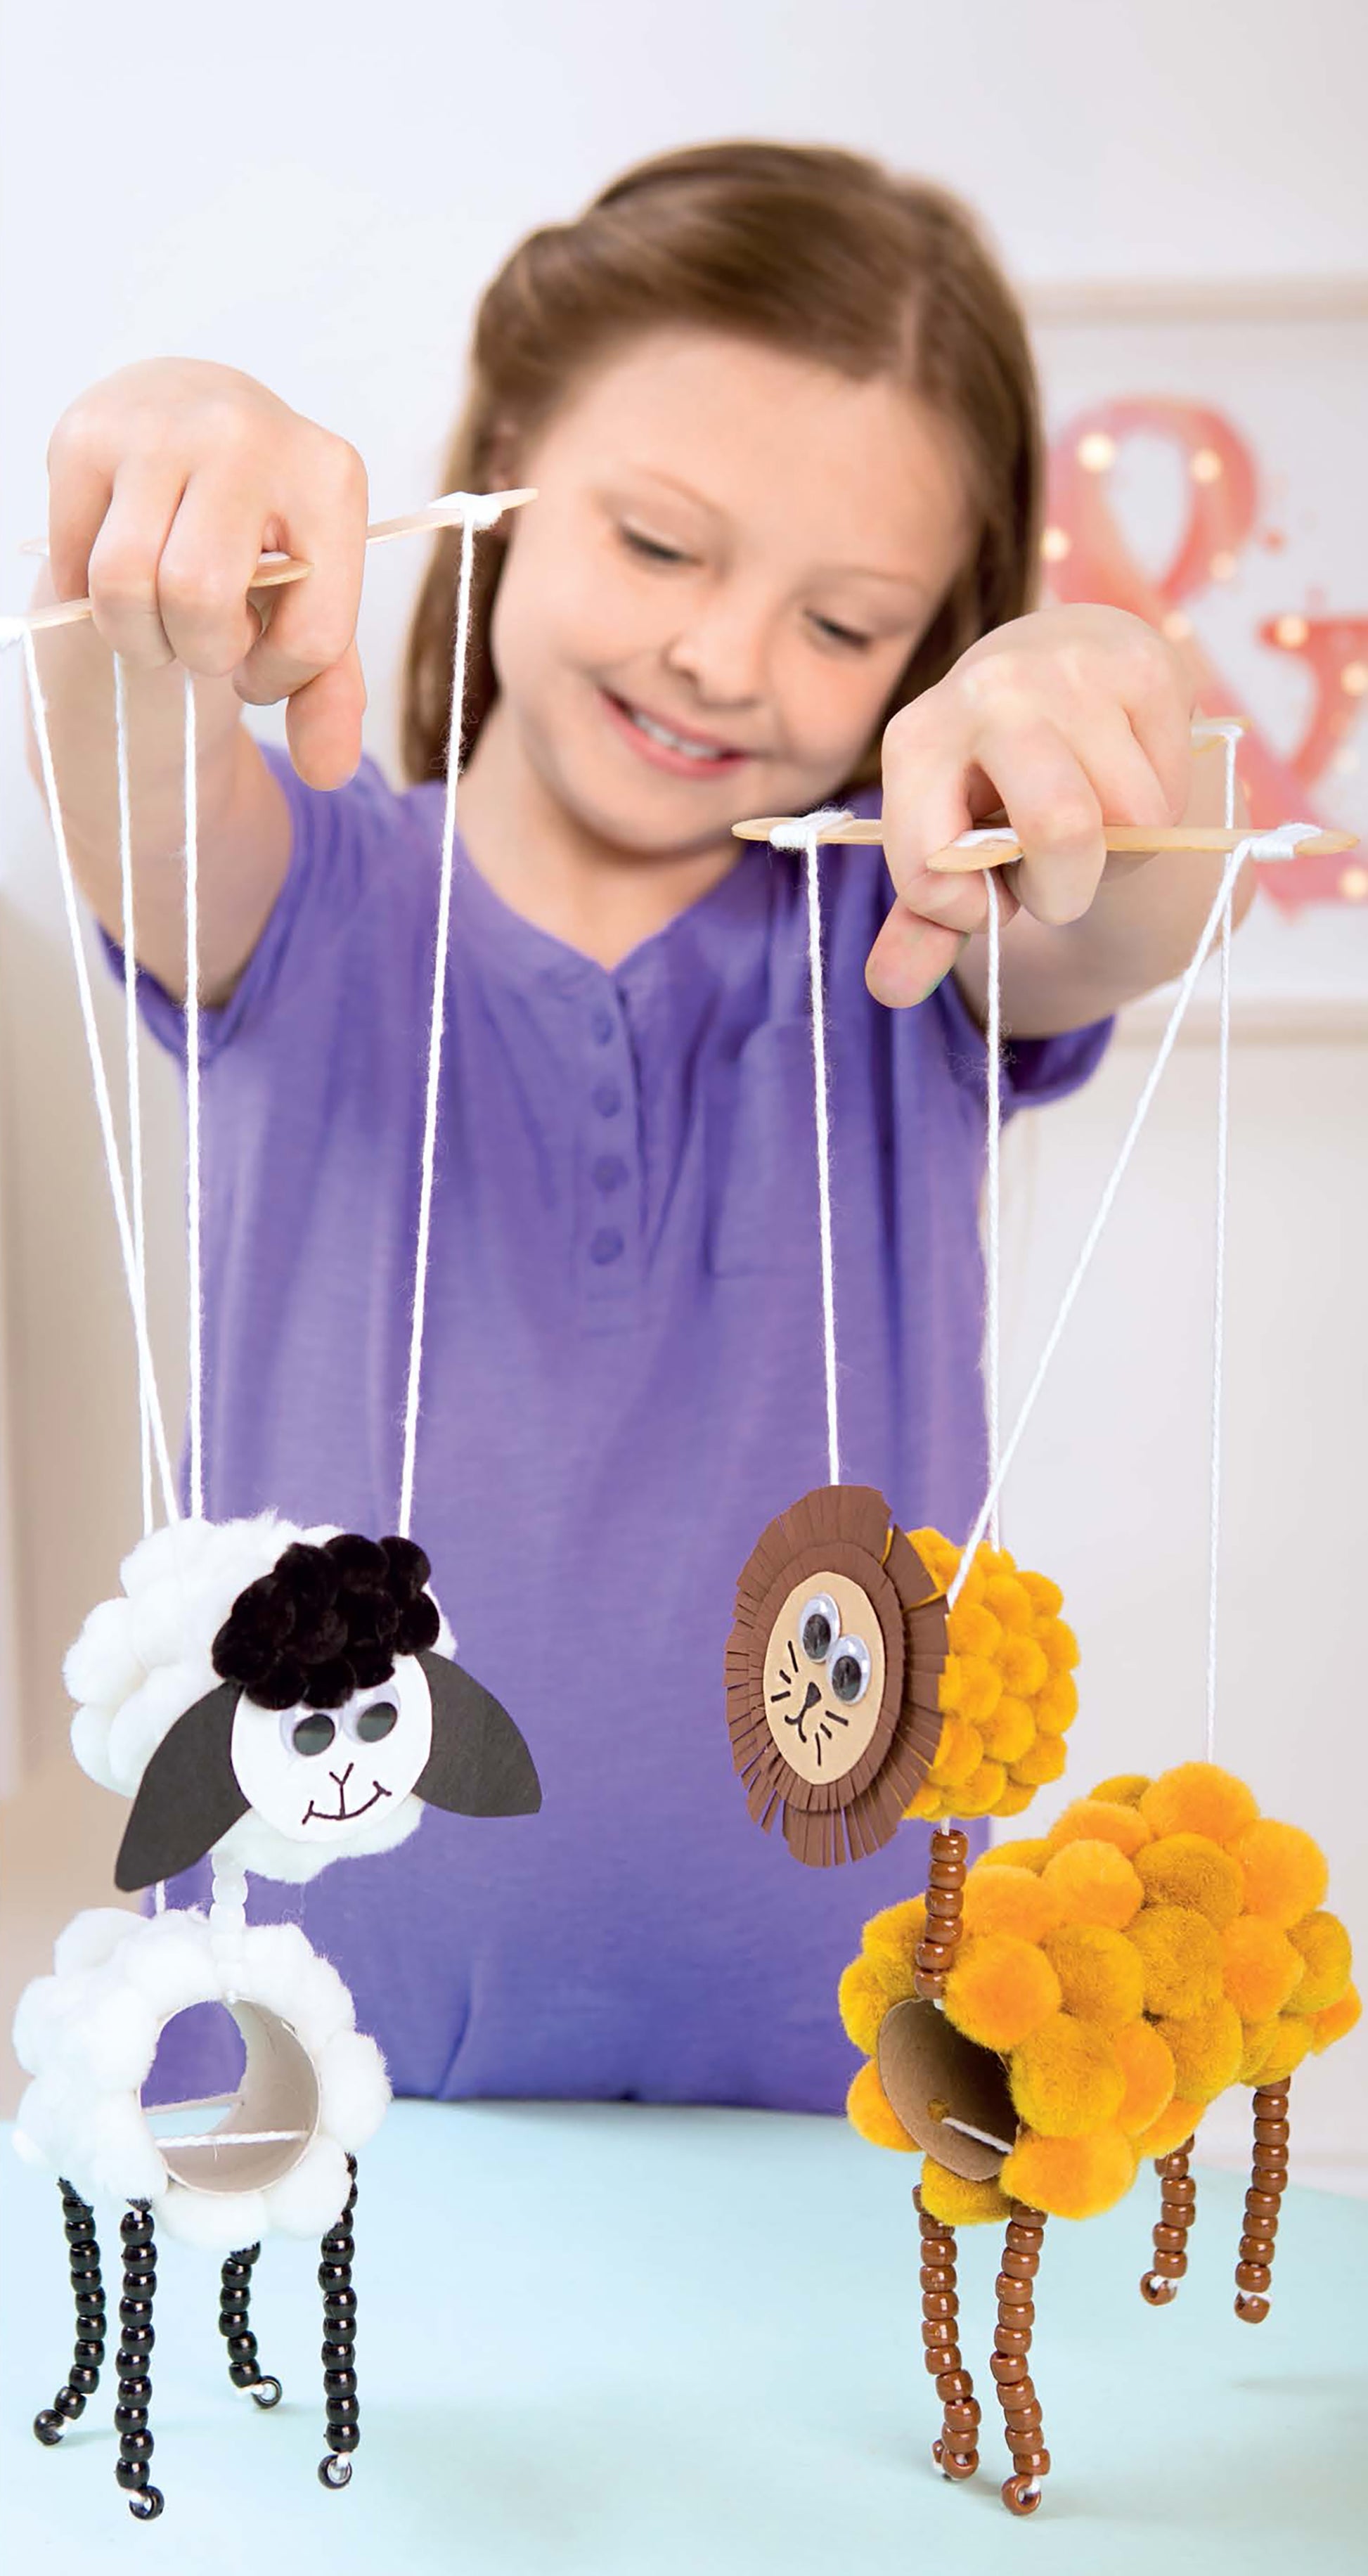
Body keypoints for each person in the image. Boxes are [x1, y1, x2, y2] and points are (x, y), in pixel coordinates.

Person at [32, 142, 1243, 2113]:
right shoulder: (298, 902)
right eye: (661, 547)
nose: (722, 659)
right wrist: (154, 479)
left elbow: (1137, 896)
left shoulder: (913, 946)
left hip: (836, 2111)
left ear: (933, 643)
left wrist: (1112, 691)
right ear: (500, 458)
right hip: (300, 2095)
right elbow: (119, 728)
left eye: (846, 626)